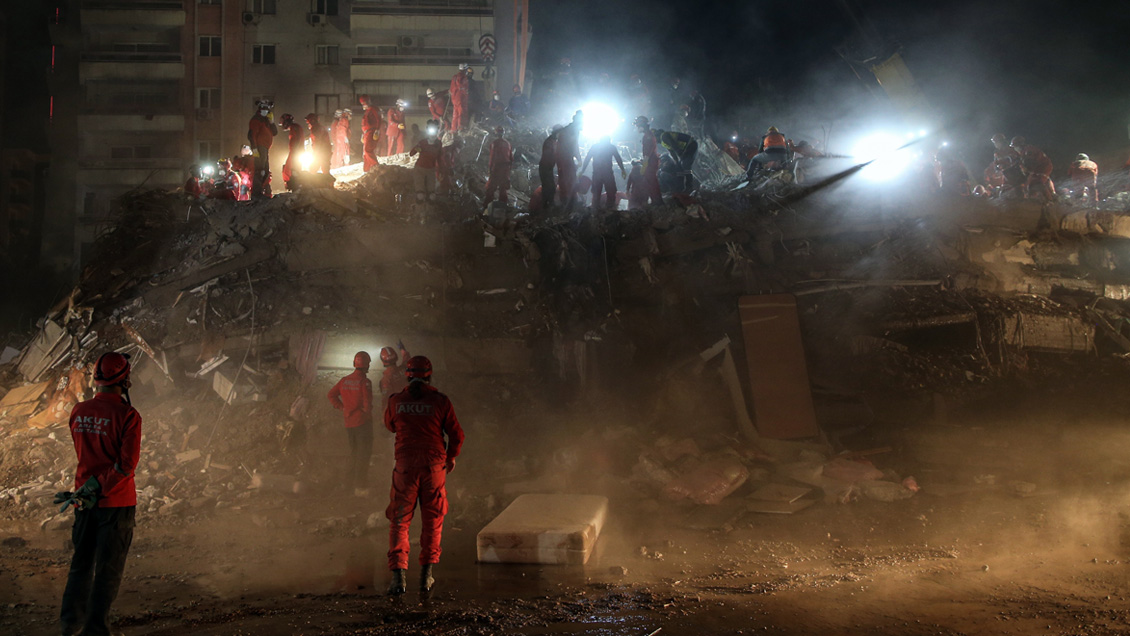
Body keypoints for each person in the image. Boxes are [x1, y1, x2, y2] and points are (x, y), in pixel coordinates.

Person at [59, 352, 141, 636]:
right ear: (125, 380)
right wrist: (101, 486)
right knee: (108, 569)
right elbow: (126, 465)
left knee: (81, 563)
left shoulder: (78, 411)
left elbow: (83, 451)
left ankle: (70, 624)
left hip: (83, 500)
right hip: (116, 503)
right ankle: (95, 630)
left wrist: (89, 488)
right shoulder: (128, 415)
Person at [384, 355, 465, 595]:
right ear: (429, 376)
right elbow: (457, 435)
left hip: (405, 468)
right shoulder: (440, 401)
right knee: (433, 521)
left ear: (407, 376)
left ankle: (398, 578)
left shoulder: (396, 400)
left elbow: (390, 425)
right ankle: (426, 577)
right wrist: (451, 456)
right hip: (434, 468)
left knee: (399, 521)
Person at [327, 351, 375, 496]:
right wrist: (367, 413)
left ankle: (347, 484)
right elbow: (367, 404)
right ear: (367, 365)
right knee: (363, 455)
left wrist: (342, 407)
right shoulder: (365, 382)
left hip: (349, 423)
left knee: (354, 453)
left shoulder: (344, 381)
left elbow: (331, 395)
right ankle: (360, 486)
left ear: (354, 363)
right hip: (363, 423)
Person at [581, 135, 627, 209]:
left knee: (596, 193)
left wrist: (582, 170)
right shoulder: (611, 147)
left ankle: (596, 209)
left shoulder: (595, 147)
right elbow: (618, 159)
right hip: (607, 173)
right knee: (611, 192)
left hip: (597, 173)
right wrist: (623, 170)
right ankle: (609, 209)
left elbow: (587, 158)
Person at [246, 99, 277, 197]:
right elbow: (252, 135)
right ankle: (257, 193)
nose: (265, 111)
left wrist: (272, 122)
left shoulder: (266, 120)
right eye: (263, 109)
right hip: (260, 147)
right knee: (260, 170)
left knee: (265, 170)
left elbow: (275, 132)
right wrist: (254, 148)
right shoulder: (256, 119)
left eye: (266, 109)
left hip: (265, 148)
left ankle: (265, 192)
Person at [1011, 136, 1055, 200]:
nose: (1014, 149)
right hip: (1038, 168)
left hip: (1043, 167)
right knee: (1031, 182)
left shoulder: (1028, 151)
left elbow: (1030, 164)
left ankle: (1049, 200)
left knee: (1036, 182)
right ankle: (1049, 194)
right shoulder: (1024, 152)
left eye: (1015, 147)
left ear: (1019, 146)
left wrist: (1026, 172)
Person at [409, 121, 443, 202]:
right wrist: (416, 148)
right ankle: (419, 208)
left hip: (431, 170)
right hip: (420, 169)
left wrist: (440, 170)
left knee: (432, 195)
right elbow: (411, 154)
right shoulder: (423, 142)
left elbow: (439, 158)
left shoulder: (438, 144)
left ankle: (430, 208)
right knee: (420, 195)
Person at [556, 110, 583, 209]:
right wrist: (579, 158)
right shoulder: (572, 130)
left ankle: (567, 201)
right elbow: (574, 145)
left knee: (566, 179)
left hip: (563, 157)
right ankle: (569, 202)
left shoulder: (569, 129)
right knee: (569, 179)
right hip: (565, 158)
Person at [634, 115, 663, 205]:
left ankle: (657, 202)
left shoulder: (648, 136)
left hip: (651, 162)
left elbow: (649, 150)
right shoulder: (648, 135)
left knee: (652, 181)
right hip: (650, 161)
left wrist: (645, 163)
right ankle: (654, 200)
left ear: (642, 125)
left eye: (638, 125)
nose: (637, 128)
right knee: (650, 181)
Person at [483, 126, 513, 207]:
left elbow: (492, 157)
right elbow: (511, 158)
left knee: (491, 188)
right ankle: (502, 207)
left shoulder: (494, 143)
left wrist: (490, 169)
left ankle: (487, 206)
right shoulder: (508, 144)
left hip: (497, 168)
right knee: (503, 189)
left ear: (496, 133)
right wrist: (508, 171)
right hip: (505, 169)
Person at [985, 133, 1022, 197]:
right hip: (1005, 173)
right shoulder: (996, 152)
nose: (995, 144)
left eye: (996, 142)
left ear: (1000, 141)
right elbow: (996, 163)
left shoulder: (1010, 149)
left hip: (1014, 172)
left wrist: (1005, 162)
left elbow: (1016, 159)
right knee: (1005, 190)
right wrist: (997, 169)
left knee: (1018, 188)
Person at [539, 125, 562, 209]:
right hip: (545, 167)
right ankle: (546, 206)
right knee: (549, 188)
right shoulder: (549, 142)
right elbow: (549, 155)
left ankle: (547, 206)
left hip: (548, 167)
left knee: (550, 187)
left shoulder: (553, 141)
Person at [280, 113, 305, 189]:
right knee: (291, 169)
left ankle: (293, 185)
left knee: (290, 169)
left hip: (295, 152)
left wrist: (294, 151)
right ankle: (293, 185)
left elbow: (297, 140)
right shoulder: (296, 127)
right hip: (296, 151)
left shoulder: (294, 128)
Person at [359, 95, 382, 172]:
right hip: (366, 133)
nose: (364, 105)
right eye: (363, 103)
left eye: (365, 103)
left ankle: (376, 166)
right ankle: (367, 170)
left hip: (371, 132)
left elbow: (379, 119)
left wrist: (377, 130)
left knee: (367, 150)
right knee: (365, 153)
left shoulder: (374, 109)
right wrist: (363, 134)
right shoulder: (367, 111)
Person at [449, 64, 471, 133]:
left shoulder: (454, 77)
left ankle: (453, 129)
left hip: (454, 98)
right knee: (461, 113)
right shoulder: (463, 77)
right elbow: (461, 86)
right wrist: (466, 92)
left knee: (455, 114)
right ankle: (460, 128)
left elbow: (451, 88)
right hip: (461, 98)